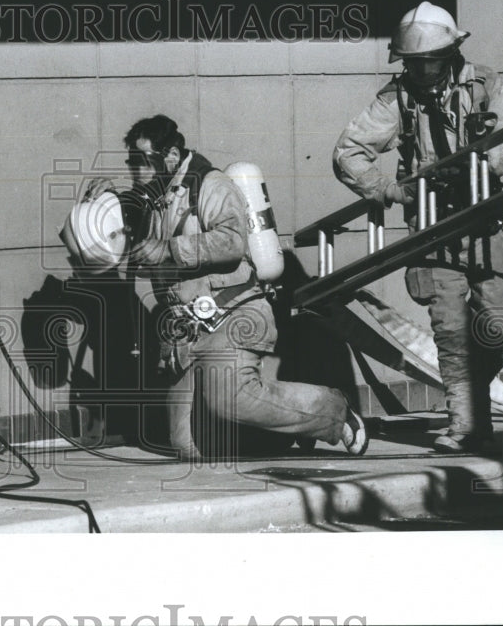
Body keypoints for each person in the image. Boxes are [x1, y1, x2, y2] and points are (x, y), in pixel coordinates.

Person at [74, 114, 368, 461]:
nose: (136, 169)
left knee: (232, 399)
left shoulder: (210, 185)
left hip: (230, 313)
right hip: (185, 329)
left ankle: (335, 412)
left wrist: (169, 250)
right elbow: (132, 218)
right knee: (186, 445)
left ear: (169, 156)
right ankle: (277, 437)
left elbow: (230, 241)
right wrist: (110, 196)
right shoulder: (159, 196)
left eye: (142, 161)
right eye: (131, 161)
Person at [333, 1, 503, 453]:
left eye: (429, 60)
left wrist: (476, 169)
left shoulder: (483, 83)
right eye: (412, 63)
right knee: (452, 333)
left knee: (500, 324)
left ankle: (471, 403)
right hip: (433, 230)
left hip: (484, 223)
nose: (421, 70)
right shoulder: (396, 97)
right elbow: (348, 153)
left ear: (451, 52)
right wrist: (390, 190)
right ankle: (465, 426)